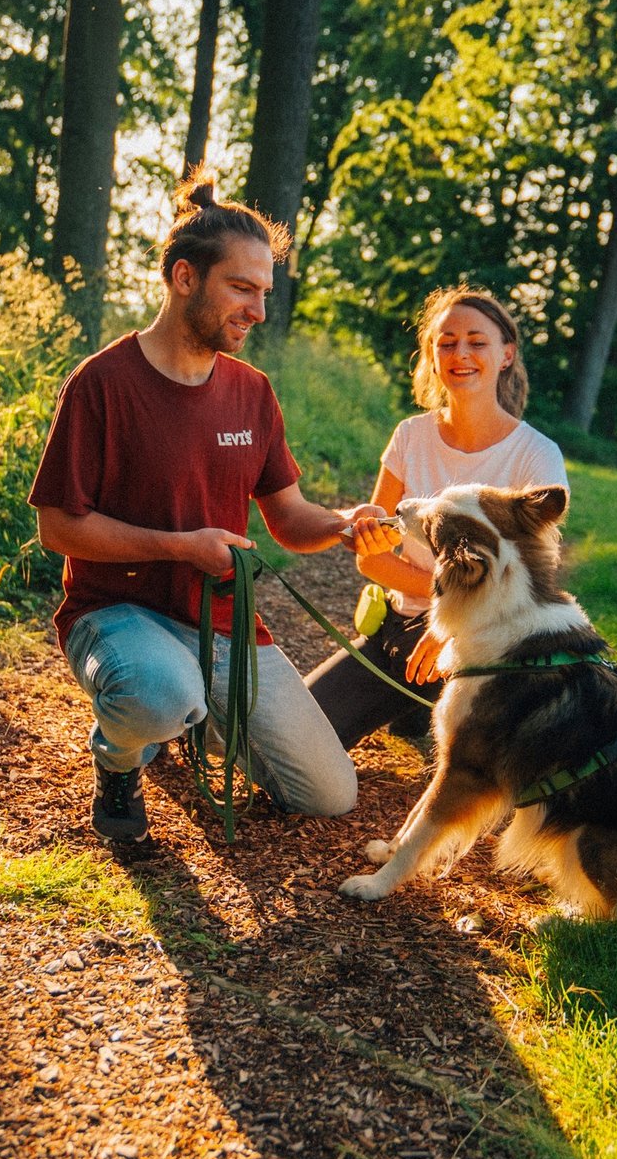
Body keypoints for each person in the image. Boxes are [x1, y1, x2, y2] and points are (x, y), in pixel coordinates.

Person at [29, 170, 381, 844]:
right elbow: (57, 527)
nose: (257, 310)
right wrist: (180, 544)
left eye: (264, 293)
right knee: (158, 696)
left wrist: (343, 526)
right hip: (115, 613)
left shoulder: (253, 392)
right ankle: (122, 754)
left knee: (329, 794)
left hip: (220, 625)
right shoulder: (101, 384)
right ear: (184, 277)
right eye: (241, 289)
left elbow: (288, 518)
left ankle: (180, 714)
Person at [305, 285, 569, 749]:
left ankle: (420, 714)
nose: (460, 353)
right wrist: (445, 608)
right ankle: (411, 707)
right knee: (293, 737)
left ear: (506, 355)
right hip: (402, 633)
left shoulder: (538, 457)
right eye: (446, 342)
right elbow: (373, 560)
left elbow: (536, 586)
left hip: (490, 647)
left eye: (476, 341)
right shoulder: (410, 436)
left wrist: (452, 622)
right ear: (432, 354)